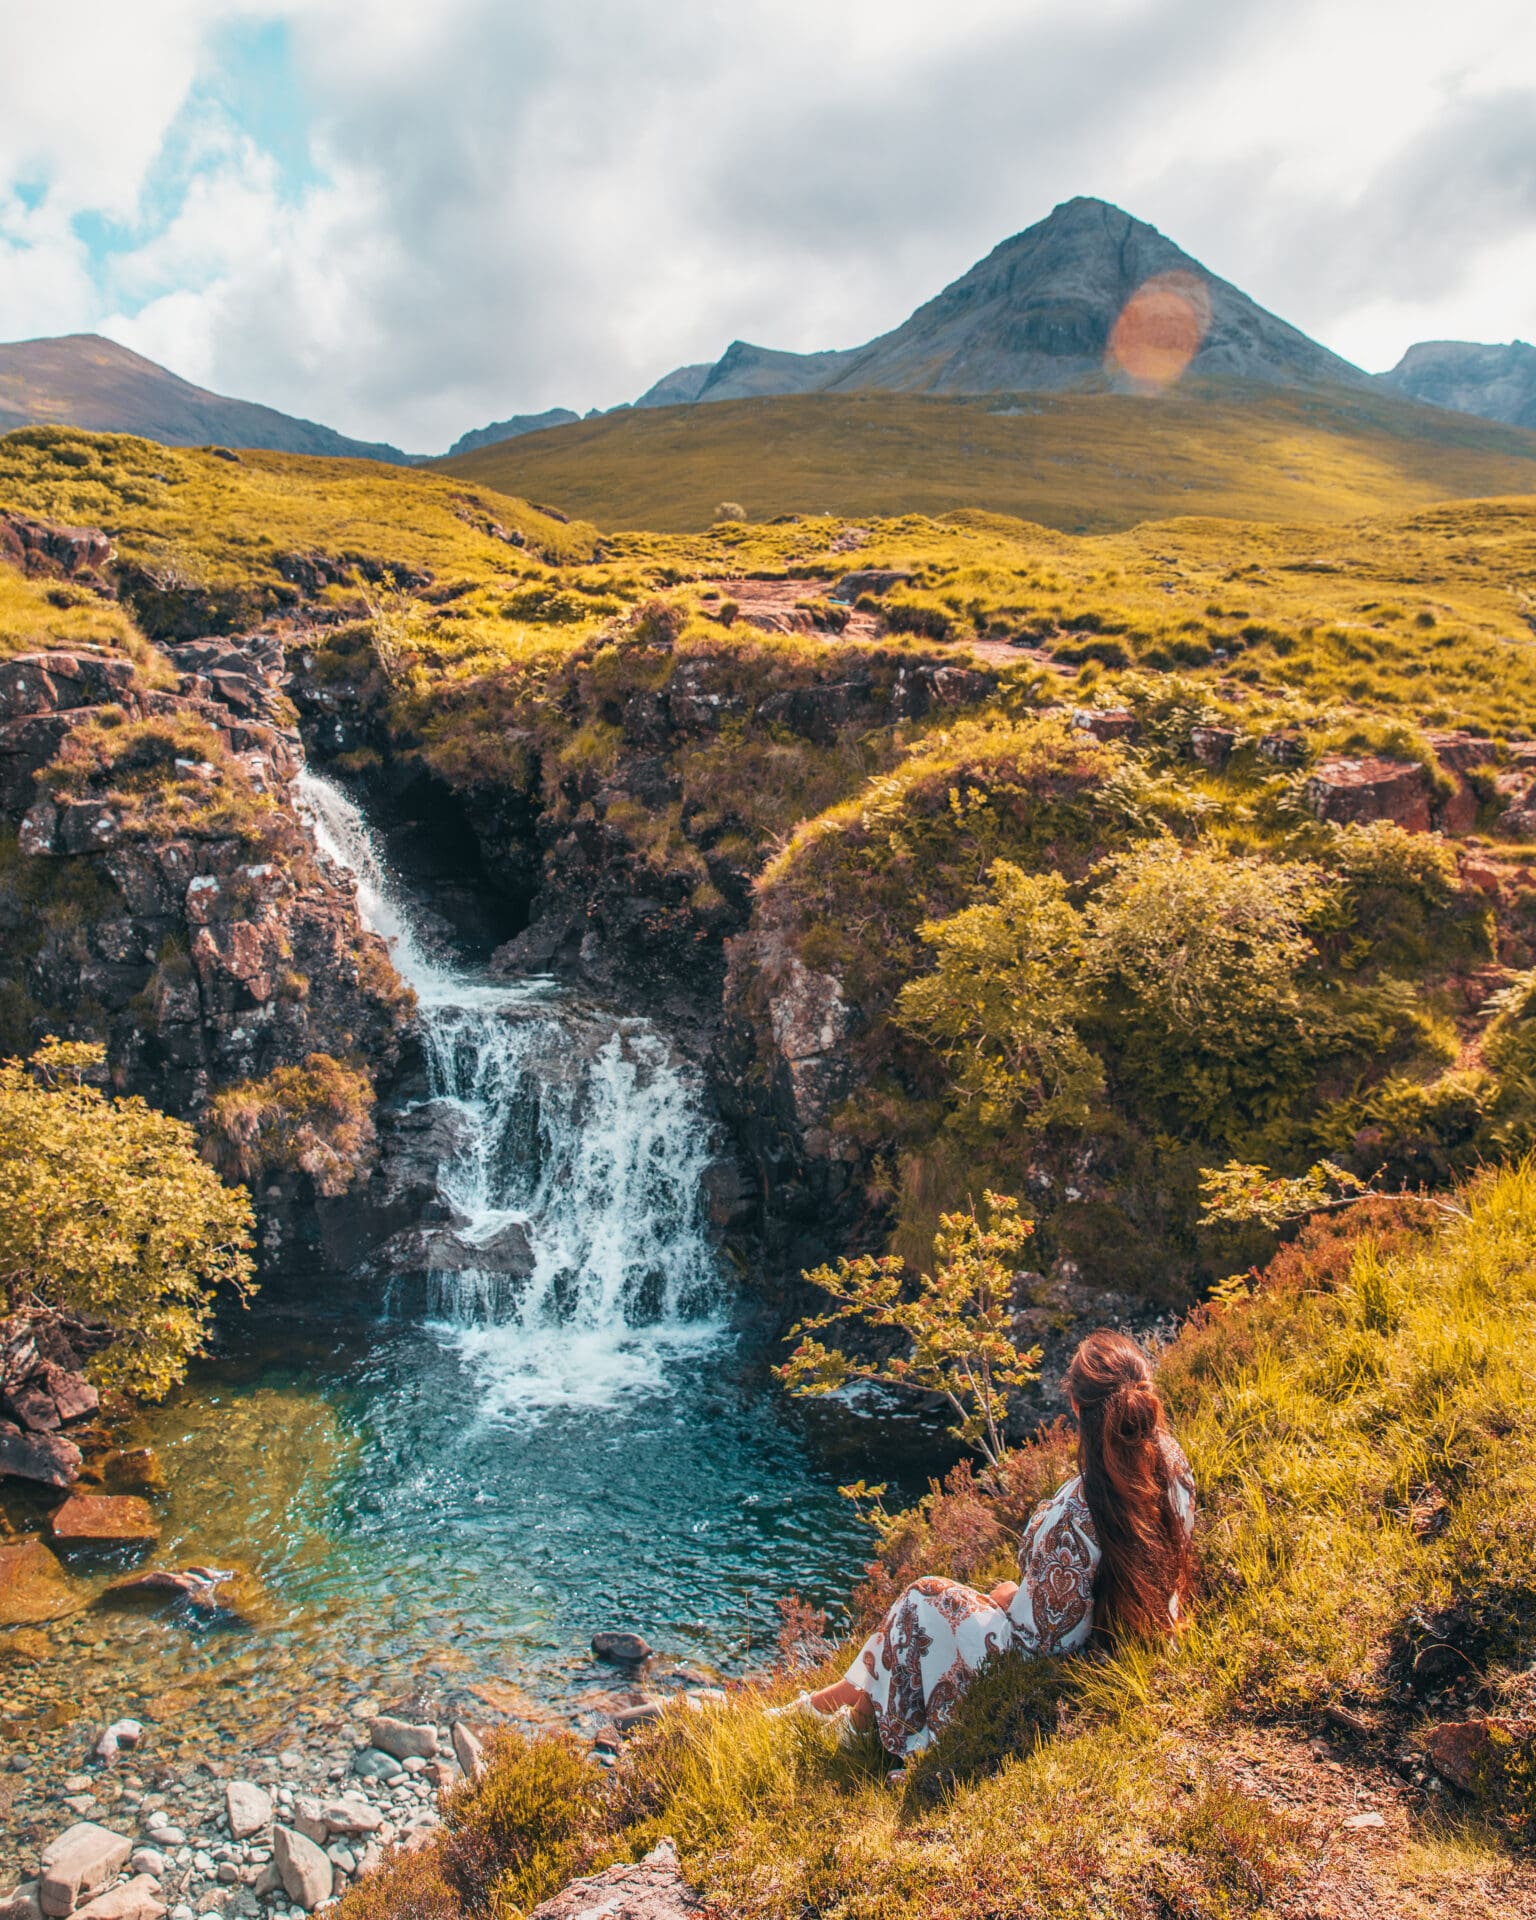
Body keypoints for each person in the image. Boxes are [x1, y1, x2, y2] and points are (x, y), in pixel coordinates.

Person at [774, 1329, 1195, 1758]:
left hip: (1059, 1675)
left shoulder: (1074, 1515)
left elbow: (1040, 1645)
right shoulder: (1174, 1464)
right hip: (1134, 1642)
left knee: (921, 1598)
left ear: (1074, 1406)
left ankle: (852, 1737)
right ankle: (819, 1705)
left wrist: (1010, 1599)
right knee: (966, 1602)